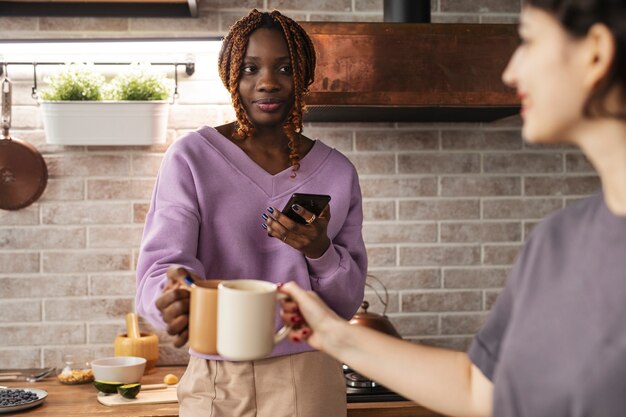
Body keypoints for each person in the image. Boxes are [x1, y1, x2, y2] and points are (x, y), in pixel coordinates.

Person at [279, 1, 626, 416]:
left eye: (529, 40)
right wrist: (332, 335)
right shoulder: (558, 241)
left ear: (595, 53)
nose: (511, 72)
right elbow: (481, 389)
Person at [135, 9, 368, 417]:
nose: (268, 82)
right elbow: (160, 272)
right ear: (231, 75)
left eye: (284, 68)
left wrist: (320, 252)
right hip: (216, 377)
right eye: (250, 68)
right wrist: (171, 297)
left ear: (303, 75)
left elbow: (345, 305)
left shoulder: (337, 172)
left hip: (308, 374)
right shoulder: (191, 159)